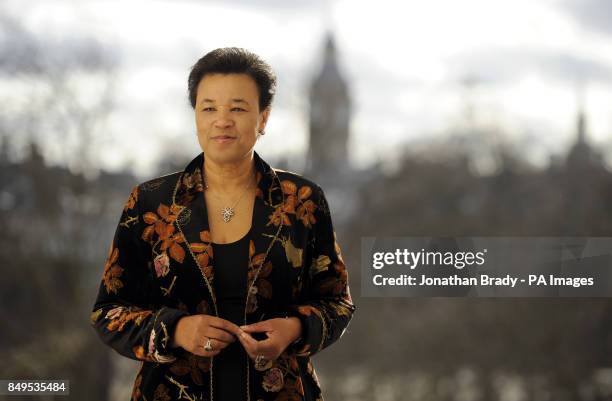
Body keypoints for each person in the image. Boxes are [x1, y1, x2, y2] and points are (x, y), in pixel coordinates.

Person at [90, 47, 356, 401]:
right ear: (196, 116)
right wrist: (177, 329)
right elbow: (109, 312)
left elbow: (337, 302)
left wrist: (293, 329)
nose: (222, 120)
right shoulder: (150, 202)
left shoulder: (303, 201)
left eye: (238, 108)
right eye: (209, 108)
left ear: (263, 118)